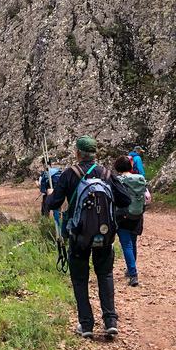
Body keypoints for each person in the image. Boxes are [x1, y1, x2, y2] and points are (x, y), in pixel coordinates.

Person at [46, 135, 130, 339]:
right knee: (105, 275)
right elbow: (125, 199)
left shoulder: (69, 174)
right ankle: (110, 321)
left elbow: (53, 204)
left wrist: (50, 194)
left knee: (80, 279)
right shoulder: (107, 174)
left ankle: (86, 325)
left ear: (77, 153)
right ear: (95, 154)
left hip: (78, 236)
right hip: (104, 234)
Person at [113, 156, 151, 287]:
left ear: (117, 168)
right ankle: (130, 270)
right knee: (133, 243)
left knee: (126, 244)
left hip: (122, 215)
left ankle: (133, 274)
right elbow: (147, 198)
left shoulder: (118, 181)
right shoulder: (140, 179)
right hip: (137, 215)